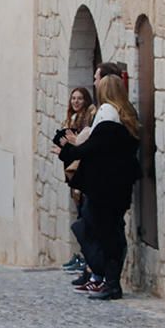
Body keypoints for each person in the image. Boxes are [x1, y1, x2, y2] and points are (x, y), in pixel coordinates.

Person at [57, 75, 140, 301]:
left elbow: (91, 149)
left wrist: (67, 150)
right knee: (111, 231)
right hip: (119, 188)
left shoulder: (107, 117)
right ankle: (108, 280)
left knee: (98, 232)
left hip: (103, 188)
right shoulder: (128, 117)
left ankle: (108, 280)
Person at [58, 86, 95, 274]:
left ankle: (88, 260)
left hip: (82, 172)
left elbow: (83, 145)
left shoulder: (87, 120)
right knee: (80, 215)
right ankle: (83, 257)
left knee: (84, 217)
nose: (76, 101)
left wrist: (73, 142)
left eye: (80, 98)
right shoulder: (71, 119)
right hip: (72, 172)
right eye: (73, 98)